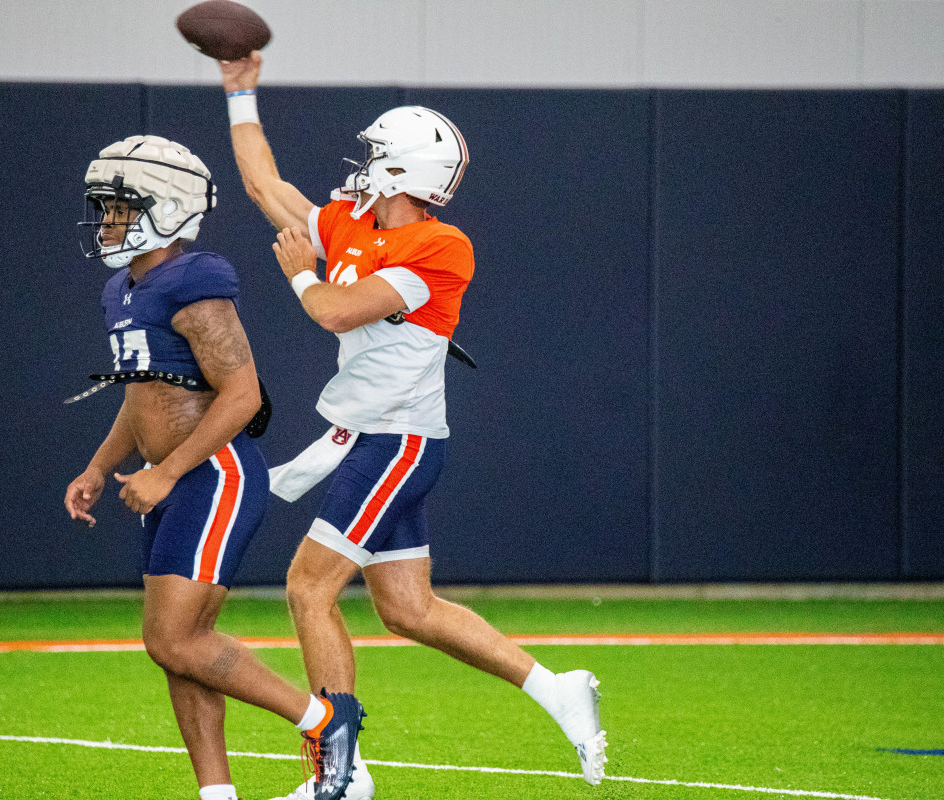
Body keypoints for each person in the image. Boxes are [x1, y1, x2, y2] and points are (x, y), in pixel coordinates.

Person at [216, 56, 609, 800]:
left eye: (373, 157)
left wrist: (301, 273)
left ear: (400, 169)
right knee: (407, 608)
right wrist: (241, 91)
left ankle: (341, 771)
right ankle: (559, 690)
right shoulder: (352, 224)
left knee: (308, 588)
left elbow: (333, 309)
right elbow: (264, 184)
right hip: (377, 440)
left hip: (397, 443)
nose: (361, 168)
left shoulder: (439, 246)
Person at [63, 135, 364, 800]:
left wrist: (167, 474)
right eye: (104, 208)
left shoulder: (194, 280)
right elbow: (142, 395)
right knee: (177, 649)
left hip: (214, 476)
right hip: (171, 482)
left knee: (173, 638)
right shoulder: (123, 288)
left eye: (119, 207)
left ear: (166, 208)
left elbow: (243, 393)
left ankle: (323, 722)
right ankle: (216, 793)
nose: (106, 220)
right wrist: (97, 467)